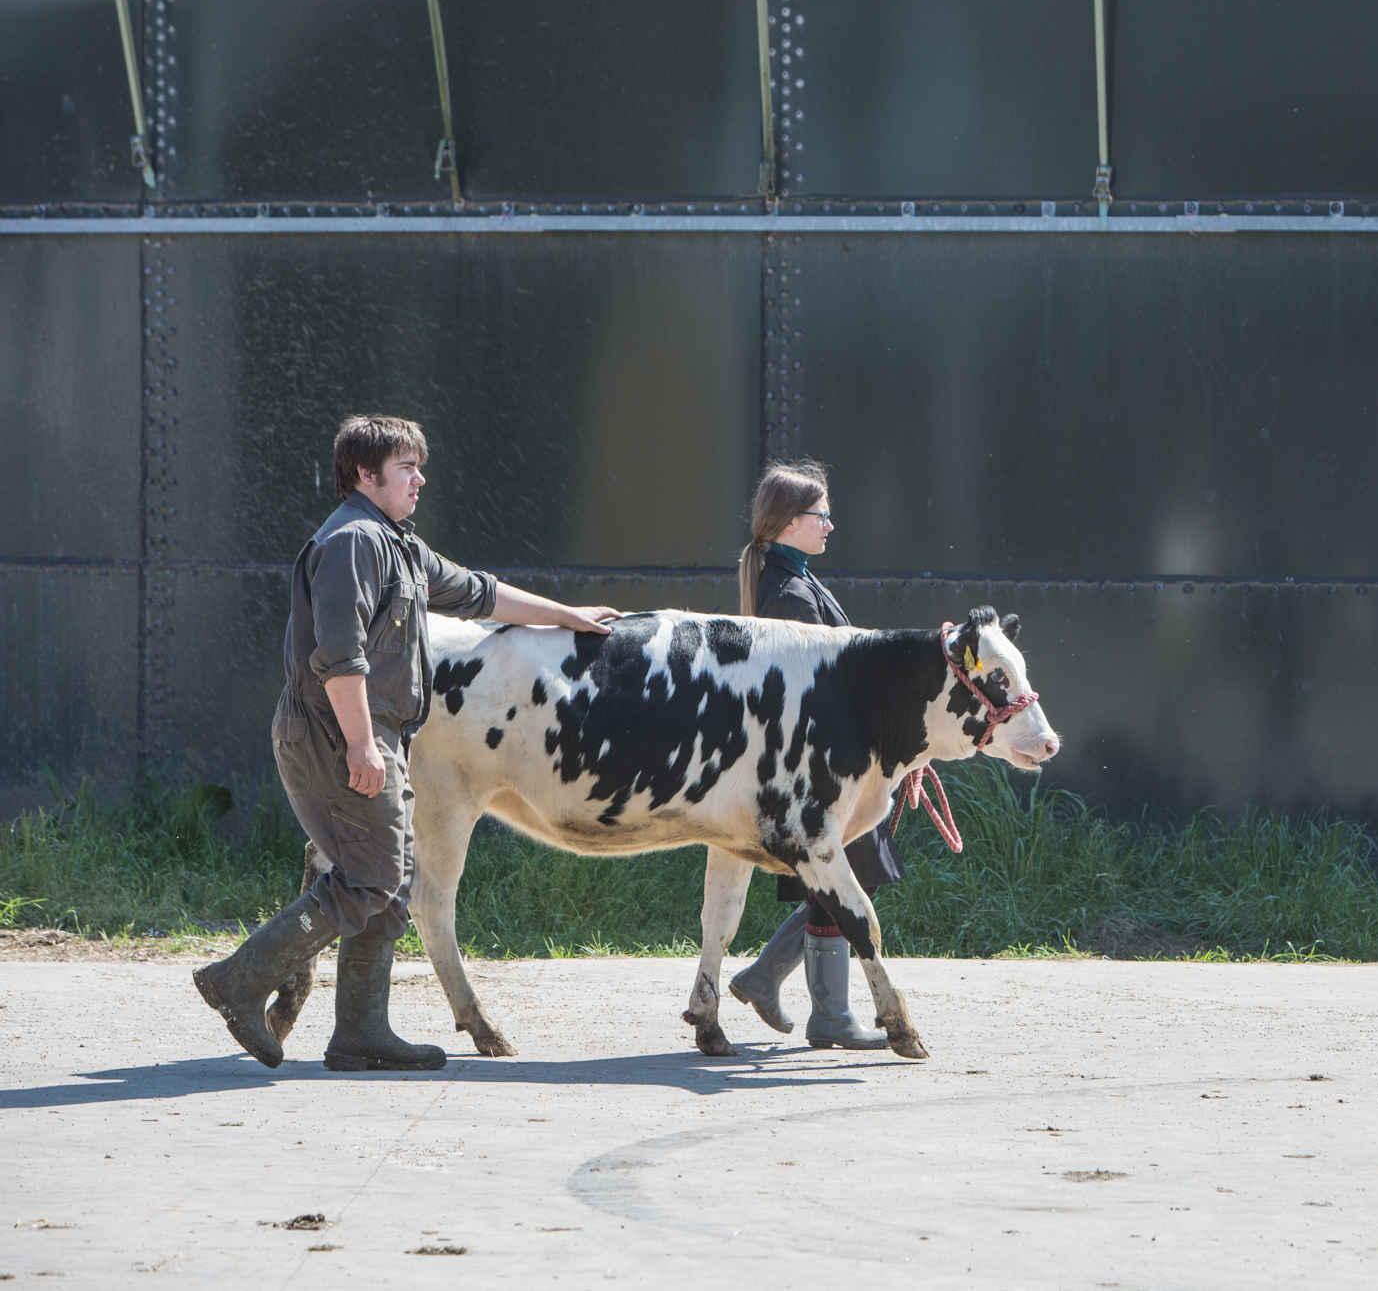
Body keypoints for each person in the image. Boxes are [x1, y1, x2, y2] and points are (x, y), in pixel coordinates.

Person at [194, 415, 621, 1071]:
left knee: (386, 883)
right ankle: (240, 979)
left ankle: (361, 1031)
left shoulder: (401, 547)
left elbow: (481, 593)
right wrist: (364, 747)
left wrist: (568, 616)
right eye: (407, 468)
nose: (420, 479)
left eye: (419, 466)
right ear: (366, 474)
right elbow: (340, 658)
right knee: (371, 879)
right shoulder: (352, 543)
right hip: (337, 733)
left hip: (378, 732)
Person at [725, 459, 900, 1050]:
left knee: (853, 879)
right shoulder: (792, 594)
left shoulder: (791, 581)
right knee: (843, 882)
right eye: (820, 514)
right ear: (786, 521)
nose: (830, 524)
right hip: (824, 774)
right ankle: (826, 1015)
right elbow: (815, 698)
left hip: (831, 769)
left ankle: (766, 977)